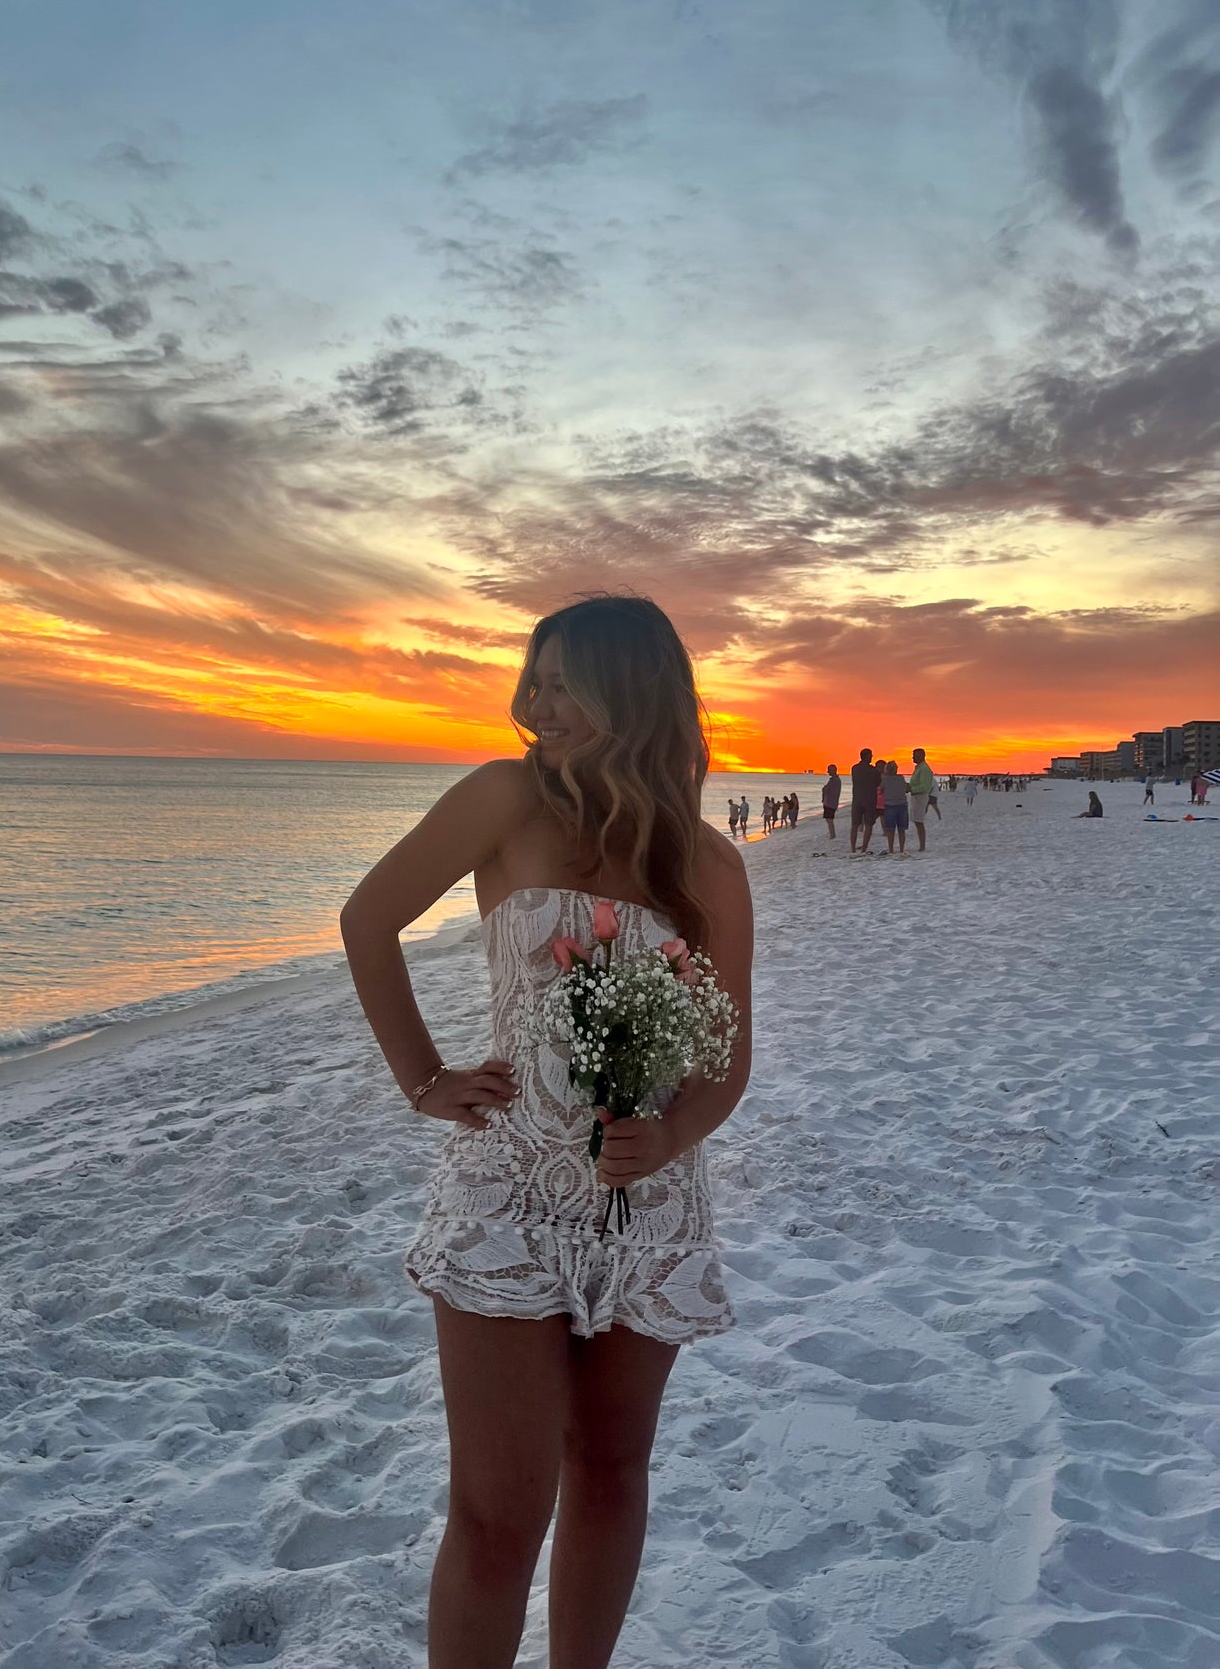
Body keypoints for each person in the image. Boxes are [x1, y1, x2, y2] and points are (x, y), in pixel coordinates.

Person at [340, 594, 754, 1669]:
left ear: (636, 691)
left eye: (563, 679)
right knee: (496, 1510)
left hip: (648, 1203)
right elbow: (366, 917)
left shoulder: (708, 865)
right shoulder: (504, 798)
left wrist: (664, 1141)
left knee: (611, 1473)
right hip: (508, 1193)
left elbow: (723, 1061)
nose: (536, 702)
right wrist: (422, 1076)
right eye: (534, 678)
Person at [850, 747, 879, 853]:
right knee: (868, 824)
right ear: (867, 756)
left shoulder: (855, 768)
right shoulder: (873, 770)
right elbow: (878, 783)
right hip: (869, 799)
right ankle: (863, 848)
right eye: (871, 755)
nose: (872, 757)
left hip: (857, 798)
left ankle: (853, 848)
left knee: (854, 824)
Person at [908, 747, 936, 853]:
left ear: (921, 755)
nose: (912, 757)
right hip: (916, 796)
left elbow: (924, 787)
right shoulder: (919, 768)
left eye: (914, 755)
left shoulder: (924, 768)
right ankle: (921, 845)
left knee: (919, 821)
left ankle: (922, 846)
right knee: (917, 821)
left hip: (921, 797)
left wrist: (911, 788)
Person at [881, 758, 910, 853]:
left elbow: (881, 790)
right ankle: (901, 850)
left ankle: (891, 850)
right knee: (901, 830)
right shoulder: (901, 778)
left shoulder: (884, 780)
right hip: (902, 805)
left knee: (890, 830)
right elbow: (906, 789)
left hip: (890, 805)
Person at [820, 763, 841, 839]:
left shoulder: (835, 780)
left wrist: (824, 789)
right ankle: (832, 834)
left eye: (829, 770)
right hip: (830, 802)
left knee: (829, 819)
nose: (828, 772)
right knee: (828, 819)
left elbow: (828, 790)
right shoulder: (834, 780)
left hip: (830, 803)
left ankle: (833, 835)